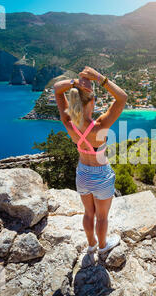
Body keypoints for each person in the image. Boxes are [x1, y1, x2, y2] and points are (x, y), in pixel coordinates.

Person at [54, 66, 128, 256]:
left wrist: (74, 83)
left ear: (73, 102)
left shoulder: (68, 122)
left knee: (88, 214)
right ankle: (103, 246)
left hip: (82, 174)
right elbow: (122, 98)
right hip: (101, 175)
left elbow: (56, 88)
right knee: (102, 217)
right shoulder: (101, 125)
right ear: (93, 101)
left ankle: (91, 245)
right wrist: (99, 78)